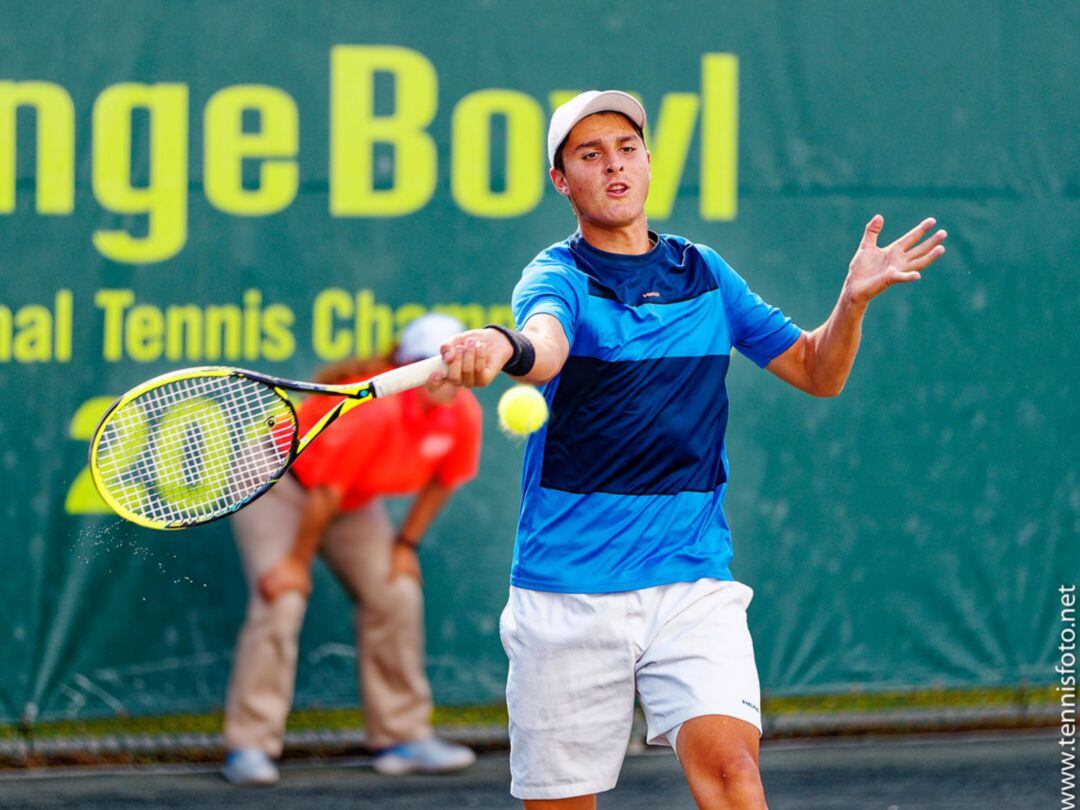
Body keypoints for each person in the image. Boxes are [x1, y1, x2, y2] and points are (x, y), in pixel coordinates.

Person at [428, 90, 947, 808]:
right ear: (562, 180)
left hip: (690, 581)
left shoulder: (704, 273)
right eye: (589, 154)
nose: (613, 165)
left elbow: (817, 371)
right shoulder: (555, 277)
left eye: (627, 148)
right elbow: (544, 348)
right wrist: (504, 345)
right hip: (568, 590)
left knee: (734, 771)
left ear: (646, 161)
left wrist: (850, 304)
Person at [221, 313, 483, 786]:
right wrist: (296, 564)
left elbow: (445, 481)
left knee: (397, 592)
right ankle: (249, 745)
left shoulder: (462, 412)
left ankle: (401, 738)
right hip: (279, 482)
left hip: (349, 498)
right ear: (406, 366)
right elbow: (324, 494)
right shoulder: (376, 408)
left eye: (455, 364)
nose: (447, 376)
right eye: (433, 365)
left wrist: (405, 545)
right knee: (282, 599)